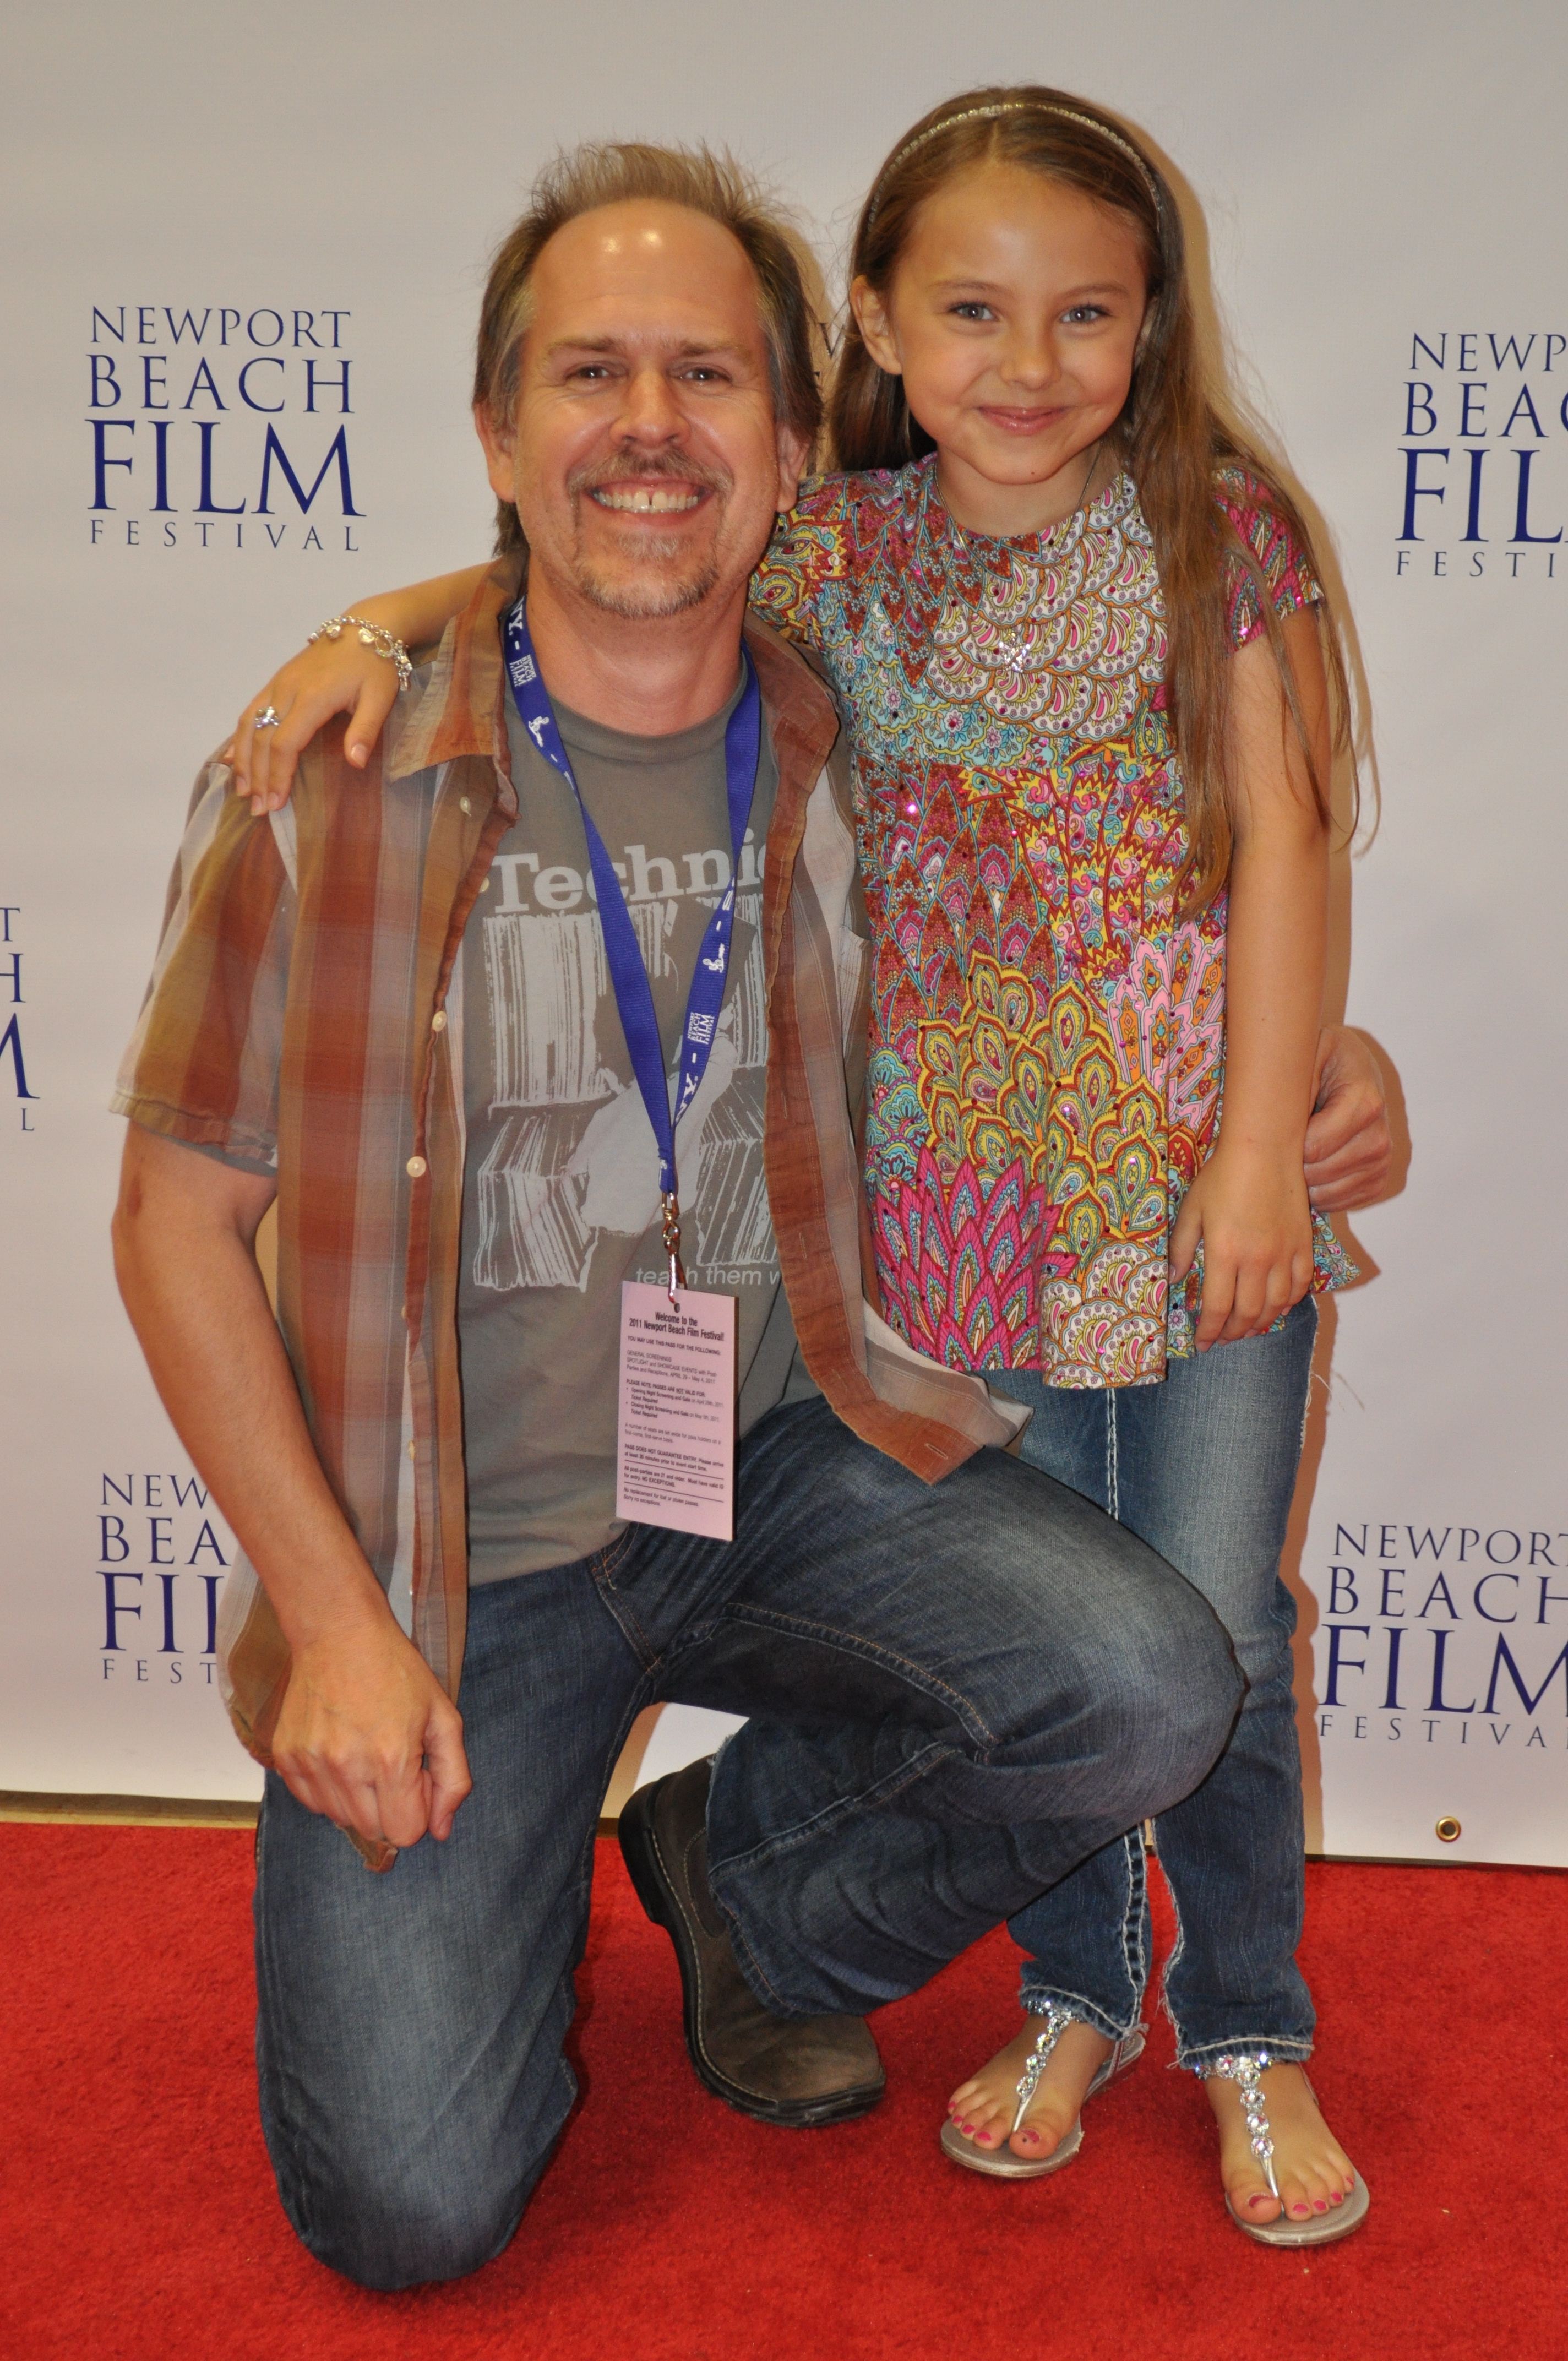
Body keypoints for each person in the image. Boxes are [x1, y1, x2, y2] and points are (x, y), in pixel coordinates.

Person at [226, 92, 1393, 2248]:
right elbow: (582, 553)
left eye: (1083, 316)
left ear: (1152, 327)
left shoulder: (1224, 537)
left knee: (1204, 1633)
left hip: (1184, 1203)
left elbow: (1292, 833)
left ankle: (1243, 2019)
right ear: (875, 320)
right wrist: (368, 629)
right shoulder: (834, 547)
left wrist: (1265, 1132)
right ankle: (1070, 1993)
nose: (1027, 360)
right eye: (968, 309)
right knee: (1079, 1660)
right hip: (935, 1227)